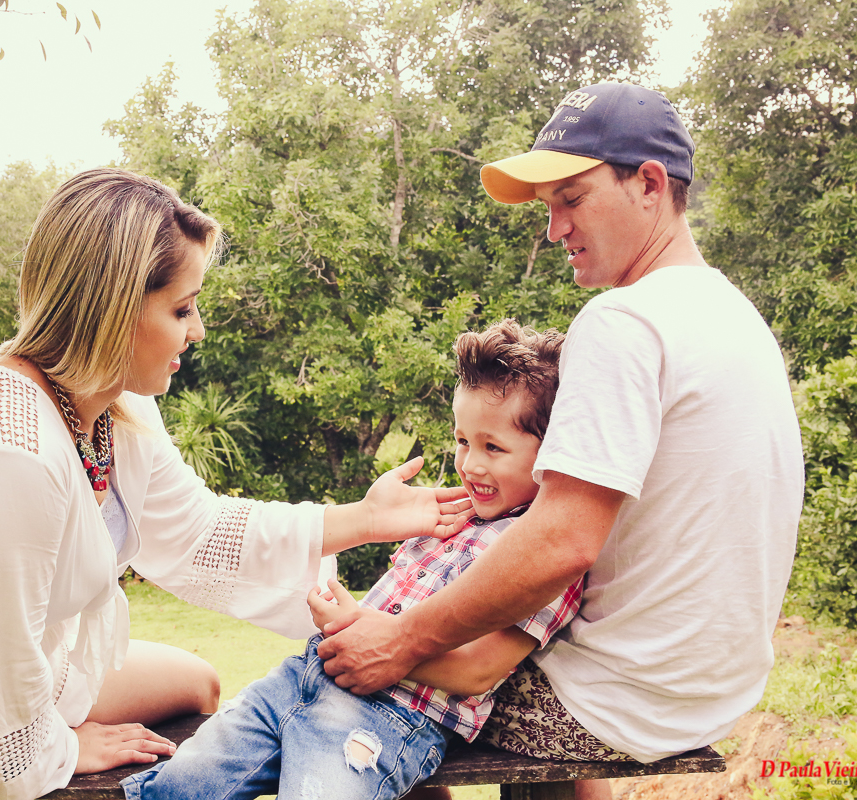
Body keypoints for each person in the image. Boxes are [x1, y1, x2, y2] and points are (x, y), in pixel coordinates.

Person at [0, 169, 475, 800]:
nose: (197, 331)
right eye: (182, 309)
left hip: (25, 652)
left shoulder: (113, 402)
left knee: (200, 683)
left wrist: (366, 518)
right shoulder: (7, 462)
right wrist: (60, 745)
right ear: (111, 311)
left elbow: (199, 532)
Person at [317, 82, 805, 792]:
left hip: (614, 696)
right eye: (549, 209)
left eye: (571, 199)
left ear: (649, 183)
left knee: (345, 684)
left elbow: (560, 542)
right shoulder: (736, 318)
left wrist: (400, 640)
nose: (554, 230)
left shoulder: (623, 322)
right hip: (708, 693)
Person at [120, 320, 580, 800]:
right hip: (302, 677)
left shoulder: (542, 547)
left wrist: (358, 628)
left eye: (494, 447)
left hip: (392, 715)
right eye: (464, 441)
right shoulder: (448, 517)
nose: (470, 464)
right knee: (177, 786)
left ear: (551, 452)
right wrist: (346, 608)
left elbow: (477, 671)